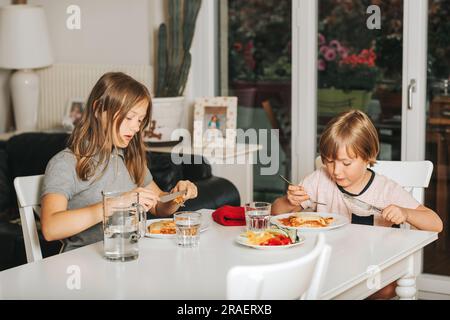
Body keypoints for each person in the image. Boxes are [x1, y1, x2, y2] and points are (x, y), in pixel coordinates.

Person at [271, 109, 443, 299]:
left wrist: (406, 213)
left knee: (384, 289)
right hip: (328, 265)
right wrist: (289, 202)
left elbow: (435, 223)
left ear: (368, 157)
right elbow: (276, 213)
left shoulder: (385, 189)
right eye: (329, 161)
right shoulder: (320, 179)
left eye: (346, 163)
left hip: (371, 268)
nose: (336, 171)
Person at [41, 72, 198, 252]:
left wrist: (177, 195)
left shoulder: (128, 158)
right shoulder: (66, 163)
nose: (136, 127)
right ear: (99, 110)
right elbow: (51, 228)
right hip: (84, 266)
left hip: (129, 254)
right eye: (129, 117)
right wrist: (117, 204)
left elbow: (158, 205)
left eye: (140, 120)